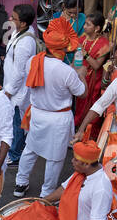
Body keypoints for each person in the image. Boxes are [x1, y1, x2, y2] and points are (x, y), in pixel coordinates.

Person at [15, 16, 85, 198]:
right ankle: (47, 193)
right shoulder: (66, 71)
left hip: (38, 114)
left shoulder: (33, 61)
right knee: (55, 158)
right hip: (57, 119)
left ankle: (20, 184)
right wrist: (82, 74)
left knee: (30, 149)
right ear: (62, 48)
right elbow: (82, 93)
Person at [45, 140, 112, 220]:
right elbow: (64, 189)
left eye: (75, 160)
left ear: (86, 164)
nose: (72, 161)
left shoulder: (101, 187)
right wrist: (41, 201)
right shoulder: (80, 173)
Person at [2, 4, 39, 166]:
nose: (10, 19)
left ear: (23, 23)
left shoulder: (25, 43)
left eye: (14, 18)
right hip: (13, 87)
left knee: (17, 123)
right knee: (16, 122)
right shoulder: (20, 32)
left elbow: (19, 73)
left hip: (18, 91)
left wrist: (9, 91)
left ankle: (16, 155)